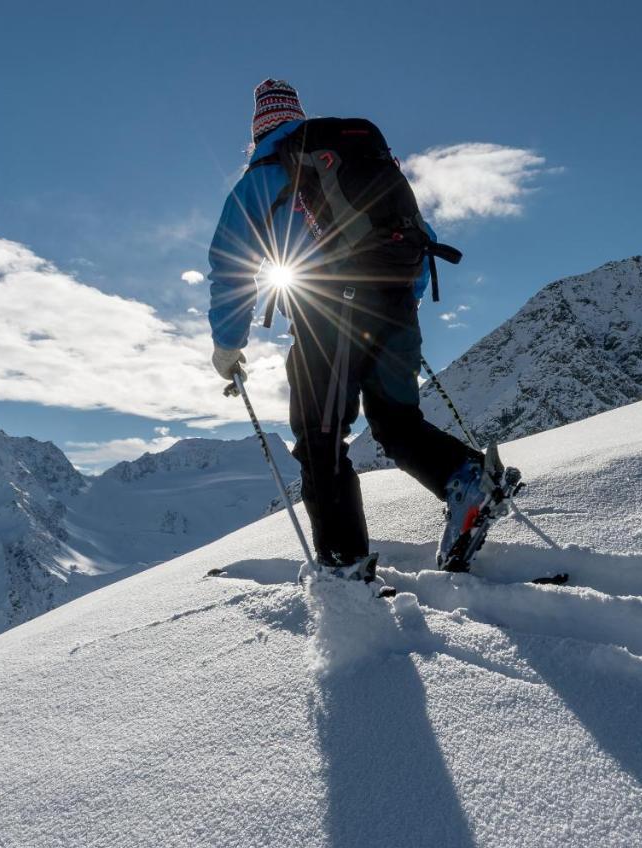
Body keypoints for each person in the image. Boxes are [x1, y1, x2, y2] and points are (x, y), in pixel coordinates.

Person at [206, 79, 491, 583]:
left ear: (258, 133)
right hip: (395, 302)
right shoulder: (363, 158)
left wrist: (228, 346)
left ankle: (344, 565)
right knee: (396, 422)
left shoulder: (262, 177)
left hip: (326, 316)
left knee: (321, 441)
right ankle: (465, 478)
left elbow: (231, 267)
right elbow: (422, 239)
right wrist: (401, 304)